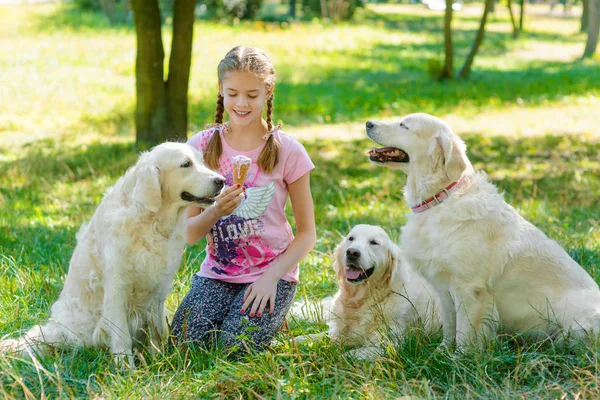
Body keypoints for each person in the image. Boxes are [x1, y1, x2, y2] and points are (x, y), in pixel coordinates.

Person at [171, 46, 316, 356]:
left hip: (271, 273)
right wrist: (216, 211)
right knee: (183, 346)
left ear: (268, 91)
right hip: (218, 273)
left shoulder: (288, 151)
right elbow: (189, 233)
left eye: (252, 95)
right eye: (233, 93)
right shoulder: (200, 147)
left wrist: (271, 280)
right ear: (221, 90)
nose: (241, 103)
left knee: (234, 350)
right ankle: (255, 321)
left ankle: (271, 317)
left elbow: (307, 234)